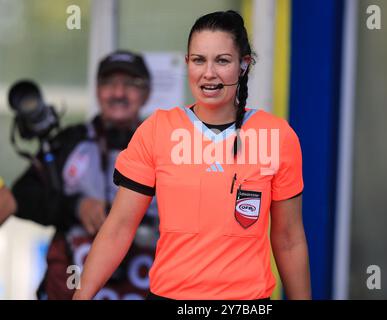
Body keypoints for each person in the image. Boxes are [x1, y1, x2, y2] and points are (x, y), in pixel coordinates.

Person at [74, 10, 311, 300]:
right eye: (199, 60)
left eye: (222, 60)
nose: (208, 73)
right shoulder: (158, 130)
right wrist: (82, 295)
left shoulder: (277, 136)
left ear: (243, 65)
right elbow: (119, 227)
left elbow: (288, 239)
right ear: (187, 63)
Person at [8, 50, 159, 300]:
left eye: (131, 84)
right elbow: (21, 198)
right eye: (109, 84)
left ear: (147, 93)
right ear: (97, 91)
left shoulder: (164, 145)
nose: (119, 93)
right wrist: (75, 207)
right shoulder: (70, 141)